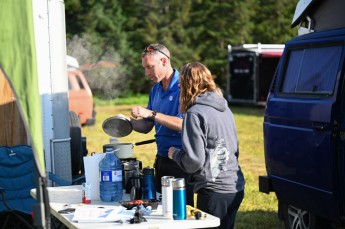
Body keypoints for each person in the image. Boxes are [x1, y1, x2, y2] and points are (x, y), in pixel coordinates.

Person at [168, 62, 245, 229]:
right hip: (235, 186)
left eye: (181, 84)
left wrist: (175, 154)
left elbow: (194, 161)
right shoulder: (224, 107)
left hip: (214, 191)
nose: (179, 89)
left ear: (187, 85)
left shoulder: (194, 114)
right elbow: (233, 146)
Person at [128, 43, 194, 206]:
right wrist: (127, 123)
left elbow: (184, 124)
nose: (147, 73)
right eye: (145, 68)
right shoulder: (155, 90)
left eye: (150, 67)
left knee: (181, 211)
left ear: (164, 61)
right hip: (162, 158)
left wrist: (151, 113)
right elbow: (147, 126)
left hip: (181, 161)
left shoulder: (184, 87)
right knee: (161, 208)